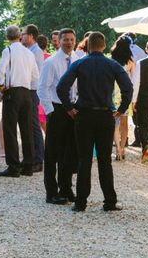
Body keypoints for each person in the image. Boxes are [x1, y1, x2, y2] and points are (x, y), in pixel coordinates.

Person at [57, 31, 133, 212]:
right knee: (105, 160)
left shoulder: (79, 63)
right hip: (105, 115)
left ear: (88, 45)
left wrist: (69, 107)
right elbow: (128, 88)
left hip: (84, 115)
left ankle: (81, 202)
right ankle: (109, 201)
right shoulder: (112, 65)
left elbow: (61, 87)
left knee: (84, 159)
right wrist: (121, 109)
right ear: (104, 46)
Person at [38, 28, 79, 205]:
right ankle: (51, 192)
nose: (69, 42)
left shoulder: (78, 59)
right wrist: (50, 111)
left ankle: (66, 188)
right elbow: (42, 88)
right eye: (65, 40)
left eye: (71, 39)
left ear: (75, 41)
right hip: (56, 109)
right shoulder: (52, 62)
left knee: (69, 152)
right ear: (59, 41)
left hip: (73, 110)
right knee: (53, 152)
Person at [0, 25, 39, 178]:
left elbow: (1, 69)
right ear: (20, 36)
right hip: (27, 92)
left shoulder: (7, 51)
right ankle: (28, 165)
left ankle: (13, 166)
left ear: (7, 37)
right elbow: (35, 75)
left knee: (10, 129)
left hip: (12, 92)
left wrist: (1, 84)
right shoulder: (29, 53)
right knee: (26, 128)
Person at [21, 24, 45, 172]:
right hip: (29, 91)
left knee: (34, 125)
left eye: (23, 34)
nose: (21, 36)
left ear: (30, 36)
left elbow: (33, 74)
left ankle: (38, 159)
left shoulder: (35, 52)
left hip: (32, 91)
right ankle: (32, 157)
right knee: (29, 125)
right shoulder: (31, 50)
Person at [110, 34, 135, 161]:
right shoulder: (130, 62)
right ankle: (122, 148)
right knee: (124, 123)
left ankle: (117, 148)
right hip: (125, 93)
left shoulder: (111, 60)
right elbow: (133, 81)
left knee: (115, 123)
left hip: (113, 92)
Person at [36, 34, 50, 132]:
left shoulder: (34, 57)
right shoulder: (50, 58)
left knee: (38, 121)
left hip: (37, 91)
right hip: (48, 92)